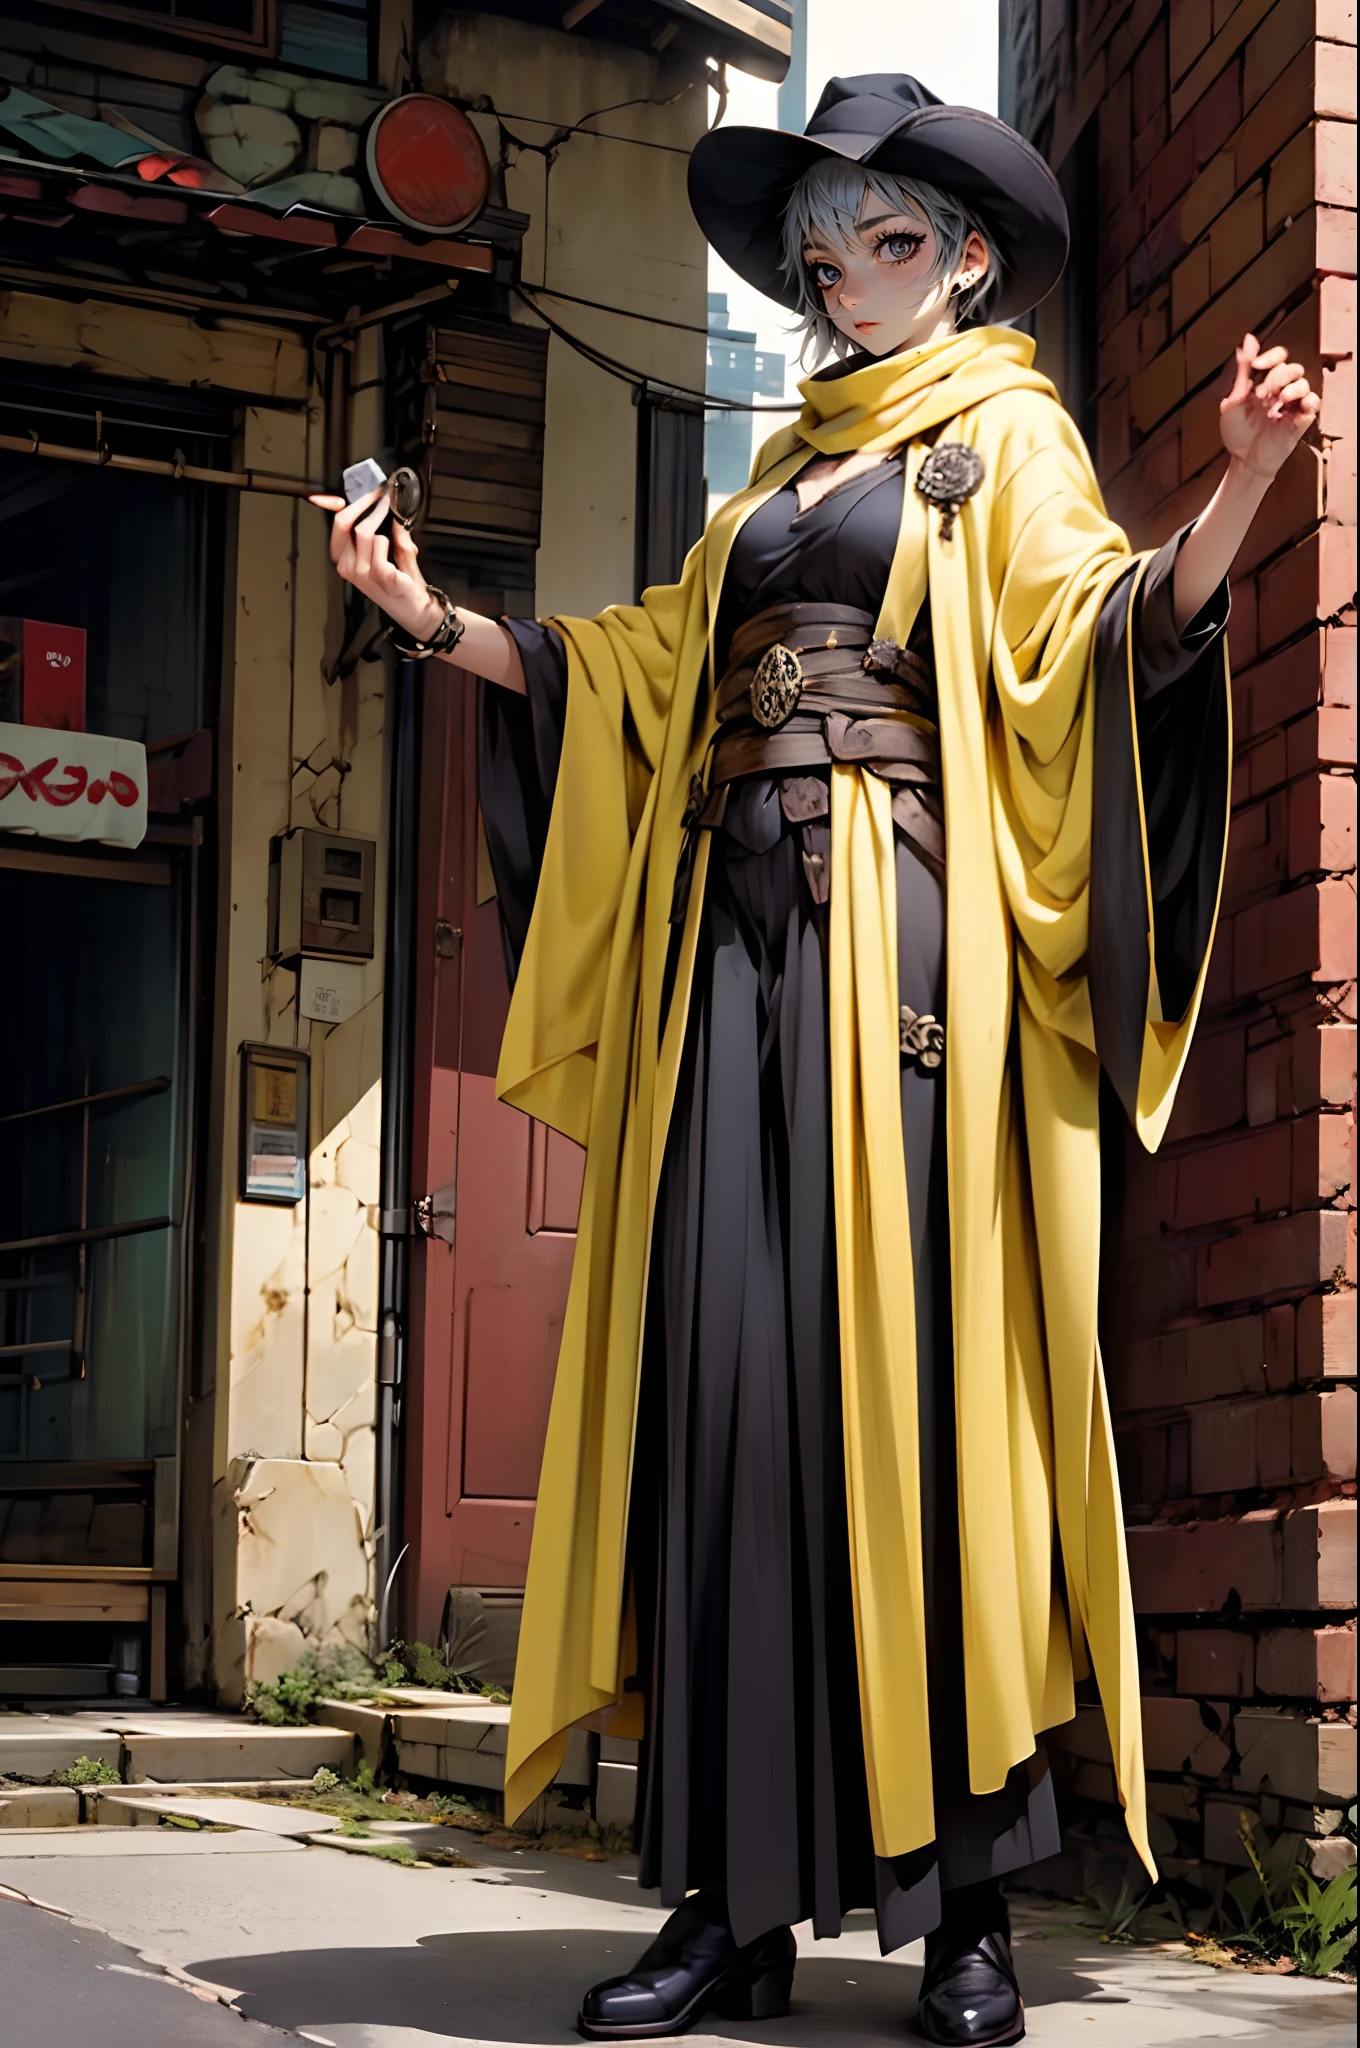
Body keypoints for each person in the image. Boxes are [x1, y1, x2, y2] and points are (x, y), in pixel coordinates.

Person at [312, 73, 1319, 2048]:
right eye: (822, 249)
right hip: (733, 965)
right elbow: (619, 677)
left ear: (959, 259)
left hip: (907, 962)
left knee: (923, 1402)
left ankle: (963, 1923)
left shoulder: (1000, 441)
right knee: (729, 1399)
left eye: (885, 241)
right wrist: (426, 618)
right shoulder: (767, 484)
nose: (845, 275)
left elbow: (1112, 643)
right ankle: (726, 1907)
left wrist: (1244, 482)